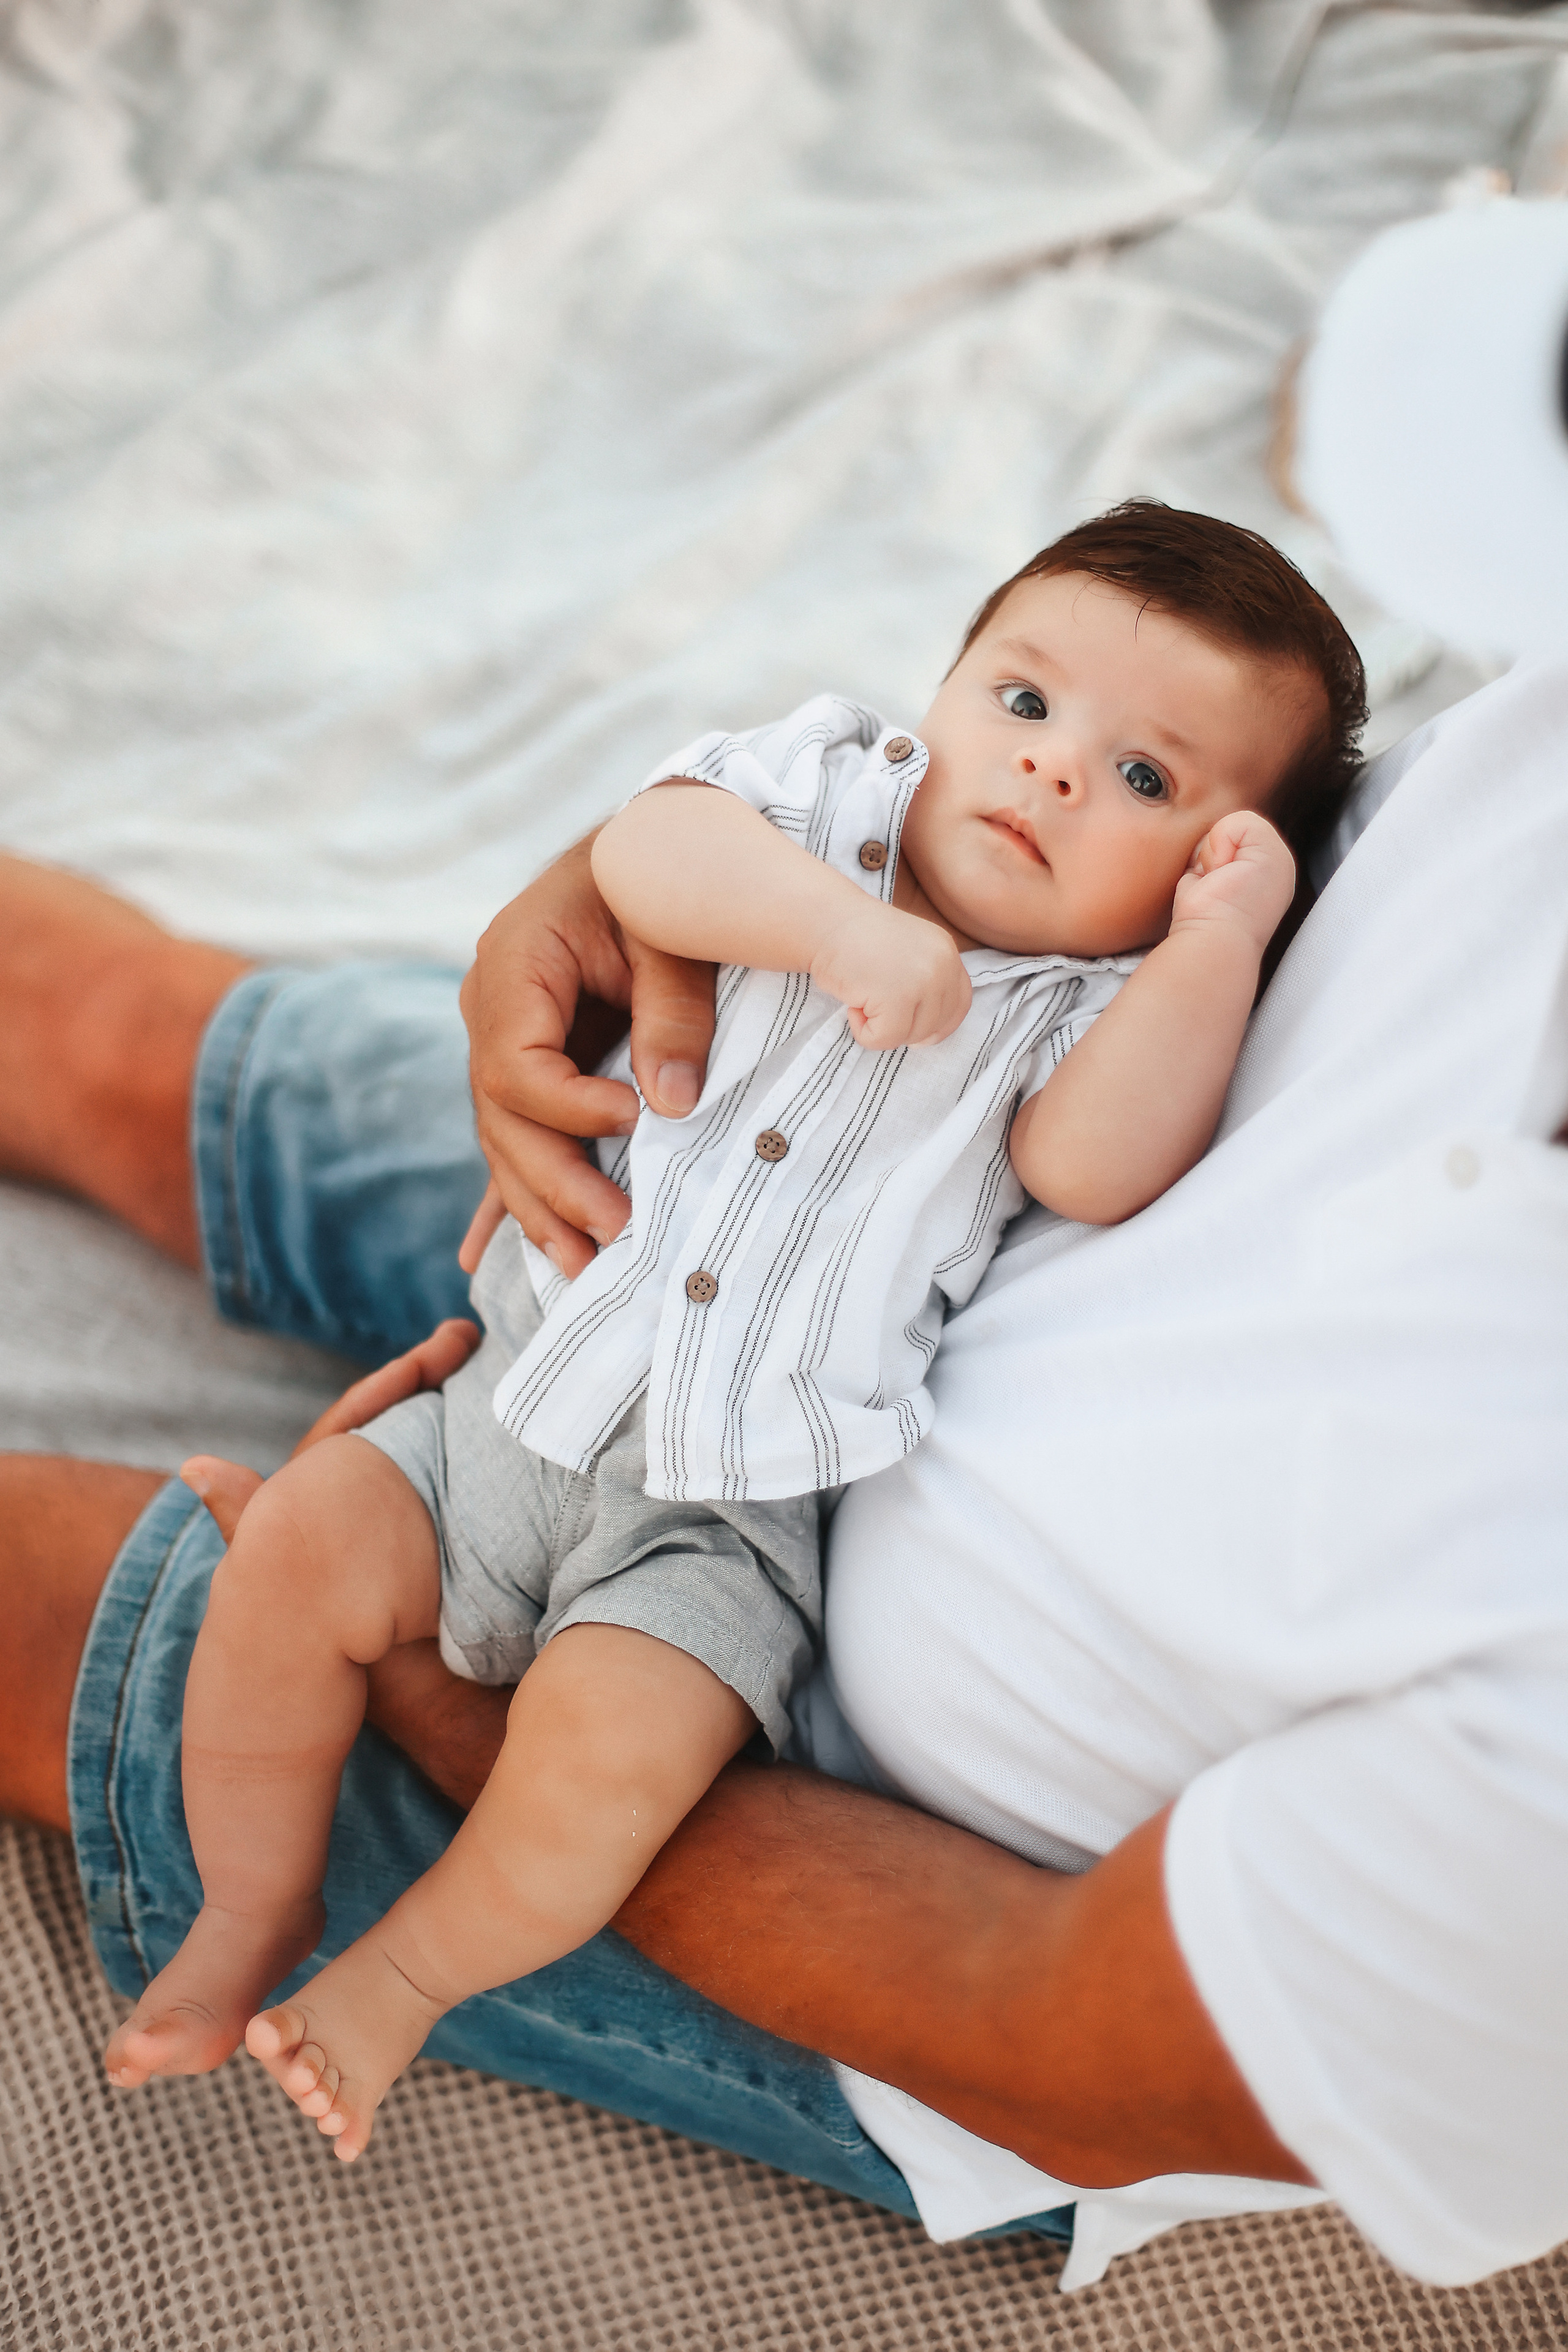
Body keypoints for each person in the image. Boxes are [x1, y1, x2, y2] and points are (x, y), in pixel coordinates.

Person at [3, 529, 1566, 2289]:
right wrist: (671, 913)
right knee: (121, 1049)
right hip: (565, 1296)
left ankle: (384, 1971)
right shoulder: (839, 795)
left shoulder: (1097, 1003)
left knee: (443, 1719)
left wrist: (1214, 951)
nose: (1051, 764)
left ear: (1213, 859)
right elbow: (664, 844)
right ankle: (242, 1914)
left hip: (745, 1542)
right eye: (1025, 700)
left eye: (1137, 779)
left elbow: (1094, 1162)